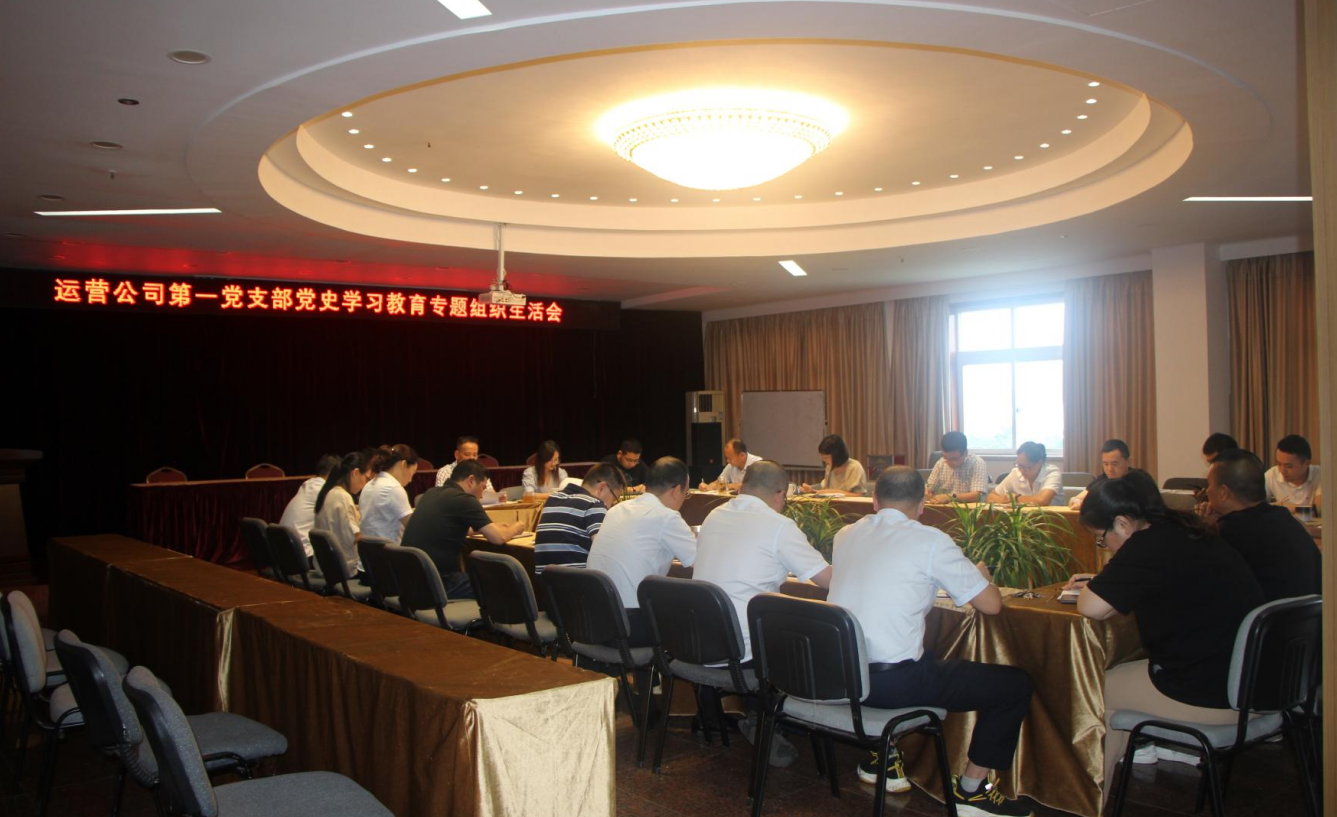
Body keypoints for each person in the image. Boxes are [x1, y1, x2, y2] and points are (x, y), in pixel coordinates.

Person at [828, 467, 1034, 814]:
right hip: (889, 686)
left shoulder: (845, 534)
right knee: (1015, 685)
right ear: (922, 505)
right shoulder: (931, 541)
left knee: (923, 652)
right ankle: (972, 792)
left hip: (839, 677)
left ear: (874, 501)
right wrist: (980, 577)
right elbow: (991, 605)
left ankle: (882, 759)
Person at [1068, 478, 1263, 807]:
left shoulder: (1146, 545)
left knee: (1090, 689)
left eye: (1102, 539)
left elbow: (1091, 607)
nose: (1105, 547)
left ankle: (1088, 803)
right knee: (1117, 682)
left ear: (1123, 523)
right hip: (1257, 687)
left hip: (1219, 697)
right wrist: (1111, 580)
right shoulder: (1182, 529)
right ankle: (1097, 798)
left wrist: (1102, 581)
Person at [693, 459, 832, 767]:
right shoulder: (777, 526)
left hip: (699, 643)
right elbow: (827, 580)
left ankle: (739, 715)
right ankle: (772, 719)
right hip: (741, 652)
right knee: (813, 635)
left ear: (742, 487)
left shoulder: (714, 515)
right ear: (781, 494)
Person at [585, 456, 697, 645]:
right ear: (677, 490)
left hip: (593, 620)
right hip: (630, 625)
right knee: (694, 617)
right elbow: (701, 562)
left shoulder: (616, 510)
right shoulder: (666, 517)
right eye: (686, 494)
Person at [401, 460, 525, 599]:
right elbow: (498, 538)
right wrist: (517, 527)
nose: (482, 495)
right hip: (439, 584)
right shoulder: (465, 499)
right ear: (471, 480)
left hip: (410, 581)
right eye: (483, 487)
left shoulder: (431, 493)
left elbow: (451, 529)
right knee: (506, 583)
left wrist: (488, 528)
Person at [1207, 449, 1321, 600]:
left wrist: (1206, 530)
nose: (1207, 491)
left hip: (1267, 613)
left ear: (1223, 492)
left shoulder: (1228, 532)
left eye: (1209, 485)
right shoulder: (1286, 518)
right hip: (1311, 612)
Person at [533, 463, 626, 573]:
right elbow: (605, 554)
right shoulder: (594, 505)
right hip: (577, 581)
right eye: (614, 499)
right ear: (601, 488)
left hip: (545, 582)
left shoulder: (553, 499)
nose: (611, 506)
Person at [313, 451, 370, 578]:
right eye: (366, 478)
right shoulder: (342, 496)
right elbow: (354, 538)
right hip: (343, 568)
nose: (365, 484)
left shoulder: (330, 492)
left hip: (327, 565)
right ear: (355, 473)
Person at [278, 454, 340, 556]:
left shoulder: (309, 485)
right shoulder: (321, 490)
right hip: (301, 553)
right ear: (333, 473)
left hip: (285, 551)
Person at [1068, 439, 1153, 509]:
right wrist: (1077, 501)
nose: (1109, 469)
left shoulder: (1140, 480)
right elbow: (1073, 499)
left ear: (1128, 462)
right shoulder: (1102, 479)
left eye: (1114, 464)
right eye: (1106, 464)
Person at [359, 444, 418, 544]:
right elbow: (413, 527)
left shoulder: (369, 485)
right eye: (412, 473)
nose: (410, 480)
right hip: (389, 550)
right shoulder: (393, 488)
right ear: (404, 465)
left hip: (368, 550)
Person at [988, 441, 1064, 506]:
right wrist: (1000, 499)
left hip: (1051, 517)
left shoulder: (1052, 472)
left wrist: (1015, 498)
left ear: (1039, 463)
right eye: (1019, 465)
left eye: (1026, 467)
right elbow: (990, 497)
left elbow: (1042, 500)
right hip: (1022, 517)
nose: (1021, 470)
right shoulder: (1016, 472)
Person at [925, 431, 989, 503]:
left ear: (965, 453)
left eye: (953, 459)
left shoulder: (977, 463)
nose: (949, 462)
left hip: (967, 509)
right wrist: (926, 491)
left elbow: (977, 496)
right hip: (943, 508)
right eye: (945, 457)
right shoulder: (941, 463)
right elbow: (929, 487)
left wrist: (950, 497)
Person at [1265, 434, 1322, 511]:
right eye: (1279, 464)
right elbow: (1257, 506)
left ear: (1306, 464)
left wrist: (1282, 506)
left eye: (1288, 466)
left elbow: (1319, 509)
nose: (1282, 470)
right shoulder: (1271, 474)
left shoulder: (1320, 474)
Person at [800, 434, 867, 496]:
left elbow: (859, 495)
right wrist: (812, 491)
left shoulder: (855, 467)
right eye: (823, 458)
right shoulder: (829, 468)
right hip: (832, 504)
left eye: (826, 458)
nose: (824, 460)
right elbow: (826, 493)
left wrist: (834, 492)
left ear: (837, 455)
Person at [699, 438, 763, 492]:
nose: (727, 461)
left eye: (730, 458)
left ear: (742, 455)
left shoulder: (757, 464)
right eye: (727, 458)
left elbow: (755, 487)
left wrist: (731, 486)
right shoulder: (731, 466)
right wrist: (707, 487)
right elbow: (718, 483)